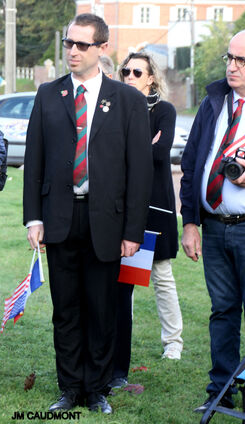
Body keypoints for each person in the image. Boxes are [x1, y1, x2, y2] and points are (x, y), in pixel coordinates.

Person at [23, 13, 153, 415]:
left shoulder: (128, 99)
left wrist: (133, 229)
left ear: (102, 48)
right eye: (68, 43)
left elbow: (139, 170)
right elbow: (35, 160)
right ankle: (69, 387)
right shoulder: (48, 94)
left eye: (82, 45)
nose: (72, 51)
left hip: (107, 222)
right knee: (66, 310)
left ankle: (96, 389)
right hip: (60, 219)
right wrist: (34, 218)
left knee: (101, 309)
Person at [180, 29, 245, 412]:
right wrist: (190, 222)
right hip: (215, 227)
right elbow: (190, 165)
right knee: (222, 312)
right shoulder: (213, 102)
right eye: (229, 58)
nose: (232, 66)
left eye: (242, 60)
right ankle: (220, 390)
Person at [109, 52, 183, 389]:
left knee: (161, 274)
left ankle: (174, 344)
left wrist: (133, 147)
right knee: (127, 279)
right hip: (126, 207)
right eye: (125, 71)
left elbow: (159, 152)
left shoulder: (163, 110)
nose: (129, 76)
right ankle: (123, 345)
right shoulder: (116, 107)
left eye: (137, 72)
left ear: (152, 77)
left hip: (156, 205)